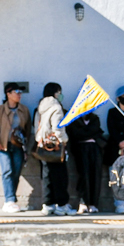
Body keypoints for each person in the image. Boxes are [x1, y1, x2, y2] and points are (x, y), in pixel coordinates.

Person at [34, 82, 77, 216]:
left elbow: (36, 128)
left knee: (47, 176)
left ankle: (48, 204)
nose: (60, 94)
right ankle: (62, 205)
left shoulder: (40, 108)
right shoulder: (56, 107)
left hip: (42, 146)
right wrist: (64, 140)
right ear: (55, 93)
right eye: (59, 92)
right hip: (55, 147)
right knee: (60, 177)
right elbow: (58, 128)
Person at [0, 84, 32, 213]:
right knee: (7, 170)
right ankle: (9, 200)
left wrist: (26, 149)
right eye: (16, 92)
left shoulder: (24, 110)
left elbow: (28, 130)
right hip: (3, 145)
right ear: (8, 94)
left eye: (21, 92)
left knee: (16, 172)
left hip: (18, 146)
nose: (19, 94)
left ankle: (12, 200)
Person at [67, 110, 105, 213]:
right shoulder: (75, 119)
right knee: (83, 175)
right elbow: (76, 133)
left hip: (94, 149)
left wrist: (85, 132)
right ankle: (83, 202)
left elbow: (94, 129)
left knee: (95, 175)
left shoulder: (95, 118)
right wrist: (89, 134)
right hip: (80, 149)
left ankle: (93, 203)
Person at [106, 86, 124, 213]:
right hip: (116, 150)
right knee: (117, 176)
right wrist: (120, 142)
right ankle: (119, 204)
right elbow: (111, 129)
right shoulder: (113, 112)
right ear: (118, 99)